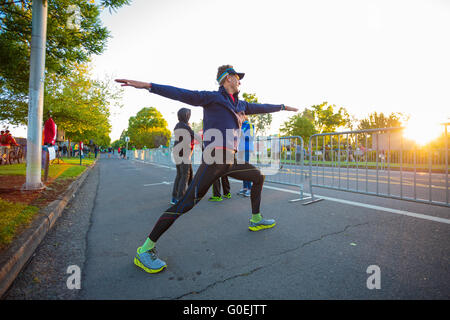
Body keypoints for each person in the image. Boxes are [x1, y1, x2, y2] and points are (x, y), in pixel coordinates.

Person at [115, 65, 298, 274]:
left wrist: (282, 106)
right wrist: (148, 86)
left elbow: (263, 106)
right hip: (214, 160)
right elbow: (181, 94)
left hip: (230, 160)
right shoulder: (212, 98)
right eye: (237, 77)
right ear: (228, 78)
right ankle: (144, 250)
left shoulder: (241, 105)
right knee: (185, 205)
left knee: (257, 176)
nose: (240, 81)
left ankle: (256, 219)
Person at [171, 108, 198, 205]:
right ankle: (180, 198)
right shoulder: (184, 126)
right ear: (186, 116)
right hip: (183, 153)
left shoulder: (178, 125)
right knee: (184, 175)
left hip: (178, 152)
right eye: (188, 115)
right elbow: (196, 136)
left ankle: (175, 197)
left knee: (181, 174)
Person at [237, 115, 254, 197]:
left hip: (247, 149)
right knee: (242, 169)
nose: (239, 118)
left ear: (244, 117)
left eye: (240, 116)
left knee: (246, 169)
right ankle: (245, 188)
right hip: (240, 149)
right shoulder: (240, 126)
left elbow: (250, 137)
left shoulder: (249, 125)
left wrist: (241, 133)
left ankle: (250, 189)